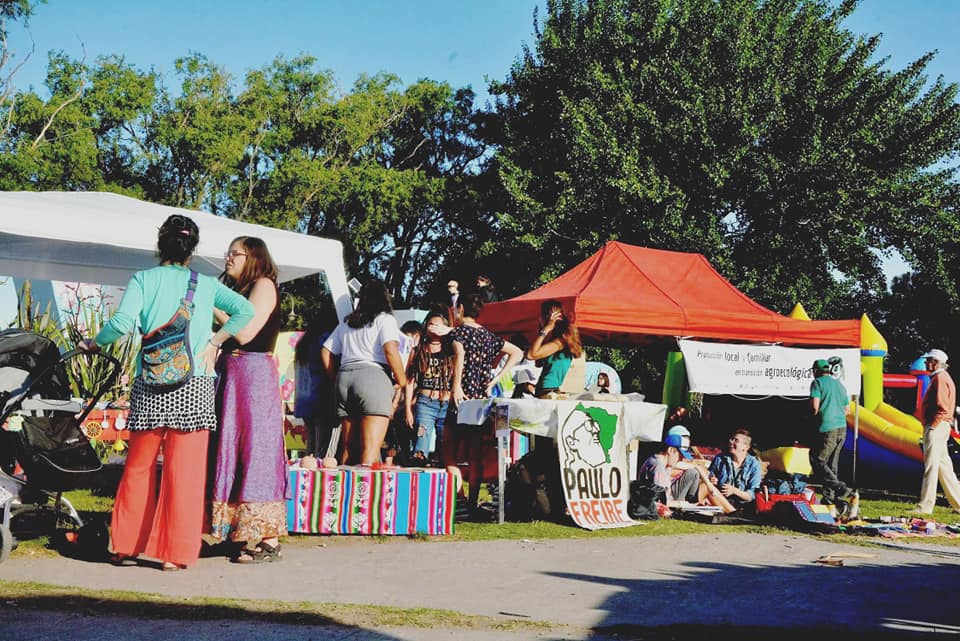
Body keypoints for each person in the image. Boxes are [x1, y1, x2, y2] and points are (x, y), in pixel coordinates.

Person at [79, 214, 254, 571]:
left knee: (139, 467)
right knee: (185, 473)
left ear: (161, 244)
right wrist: (215, 341)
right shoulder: (204, 284)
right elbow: (245, 310)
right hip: (195, 384)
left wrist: (95, 344)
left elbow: (123, 324)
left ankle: (125, 546)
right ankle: (174, 555)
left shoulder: (143, 279)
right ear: (192, 248)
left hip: (151, 382)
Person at [208, 236, 290, 564]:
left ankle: (266, 536)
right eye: (227, 251)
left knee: (254, 449)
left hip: (253, 375)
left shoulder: (264, 285)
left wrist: (208, 303)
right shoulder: (241, 290)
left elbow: (245, 332)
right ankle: (235, 530)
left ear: (252, 256)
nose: (228, 257)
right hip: (234, 375)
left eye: (235, 253)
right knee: (231, 447)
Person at [450, 292, 523, 516]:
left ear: (460, 308)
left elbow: (459, 357)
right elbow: (517, 353)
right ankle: (472, 502)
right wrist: (496, 378)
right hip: (481, 399)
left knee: (450, 453)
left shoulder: (458, 333)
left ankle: (458, 500)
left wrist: (456, 385)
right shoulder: (489, 336)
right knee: (475, 454)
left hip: (460, 398)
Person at [320, 279, 407, 465]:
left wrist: (335, 377)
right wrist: (402, 379)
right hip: (373, 377)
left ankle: (342, 491)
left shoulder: (347, 322)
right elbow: (390, 350)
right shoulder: (385, 319)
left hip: (344, 378)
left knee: (349, 447)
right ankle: (364, 492)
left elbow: (326, 351)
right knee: (370, 448)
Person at [404, 310, 455, 465]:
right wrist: (407, 408)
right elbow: (410, 380)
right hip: (425, 403)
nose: (434, 328)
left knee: (445, 449)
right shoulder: (419, 350)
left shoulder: (452, 350)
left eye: (438, 325)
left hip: (447, 404)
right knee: (420, 448)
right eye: (431, 324)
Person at [913, 348, 960, 514]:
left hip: (937, 426)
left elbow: (942, 406)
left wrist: (933, 426)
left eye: (928, 360)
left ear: (936, 362)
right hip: (942, 425)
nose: (926, 363)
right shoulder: (942, 377)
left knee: (931, 467)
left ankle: (925, 506)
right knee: (944, 467)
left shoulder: (939, 378)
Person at [808, 358, 853, 504]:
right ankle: (829, 499)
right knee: (832, 464)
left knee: (818, 459)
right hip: (842, 427)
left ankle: (839, 487)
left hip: (827, 428)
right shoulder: (840, 385)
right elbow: (848, 410)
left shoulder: (817, 383)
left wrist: (812, 418)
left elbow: (815, 407)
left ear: (816, 371)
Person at [293, 313, 337, 457]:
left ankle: (307, 474)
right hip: (320, 396)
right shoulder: (325, 339)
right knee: (321, 446)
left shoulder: (304, 342)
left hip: (304, 399)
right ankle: (318, 475)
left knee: (310, 444)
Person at [526, 300, 584, 398]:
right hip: (548, 390)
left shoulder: (559, 343)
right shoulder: (560, 341)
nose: (539, 318)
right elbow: (538, 363)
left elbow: (531, 355)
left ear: (548, 317)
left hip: (547, 391)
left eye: (541, 315)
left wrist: (545, 330)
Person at [637, 433, 704, 505]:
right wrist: (683, 504)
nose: (681, 459)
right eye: (680, 455)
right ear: (670, 450)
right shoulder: (658, 465)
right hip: (653, 504)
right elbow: (661, 501)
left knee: (692, 473)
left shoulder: (665, 464)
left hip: (665, 500)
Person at [707, 428, 762, 508]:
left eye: (736, 440)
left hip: (743, 505)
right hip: (719, 499)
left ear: (746, 447)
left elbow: (752, 495)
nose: (731, 442)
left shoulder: (754, 465)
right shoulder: (720, 459)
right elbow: (709, 474)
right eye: (731, 439)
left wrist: (734, 491)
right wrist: (712, 479)